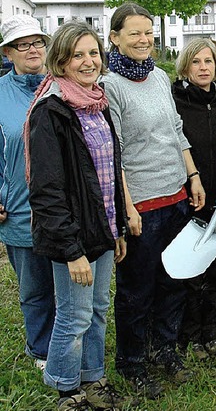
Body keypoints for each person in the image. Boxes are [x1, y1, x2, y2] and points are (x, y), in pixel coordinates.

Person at [102, 2, 206, 398]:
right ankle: (132, 362)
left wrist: (192, 175)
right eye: (135, 33)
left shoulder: (160, 77)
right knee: (137, 289)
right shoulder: (109, 86)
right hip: (142, 205)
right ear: (115, 37)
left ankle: (165, 349)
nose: (145, 40)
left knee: (173, 280)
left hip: (177, 195)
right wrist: (127, 207)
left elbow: (176, 132)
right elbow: (116, 152)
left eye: (149, 32)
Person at [26, 20, 130, 411]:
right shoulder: (51, 111)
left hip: (100, 229)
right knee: (73, 316)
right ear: (61, 60)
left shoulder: (96, 103)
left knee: (98, 309)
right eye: (77, 55)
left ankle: (93, 376)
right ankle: (67, 392)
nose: (88, 61)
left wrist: (116, 227)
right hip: (74, 237)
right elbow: (47, 192)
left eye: (93, 53)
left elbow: (108, 173)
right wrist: (71, 251)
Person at [172, 38, 216, 360]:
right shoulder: (176, 101)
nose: (203, 68)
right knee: (191, 268)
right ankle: (190, 334)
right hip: (189, 196)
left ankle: (213, 332)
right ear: (185, 66)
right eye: (196, 62)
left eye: (208, 61)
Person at [0, 14, 55, 371]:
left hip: (63, 206)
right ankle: (42, 350)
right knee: (35, 288)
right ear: (8, 53)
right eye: (24, 44)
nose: (33, 49)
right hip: (18, 207)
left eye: (37, 42)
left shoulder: (60, 85)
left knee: (68, 284)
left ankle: (69, 341)